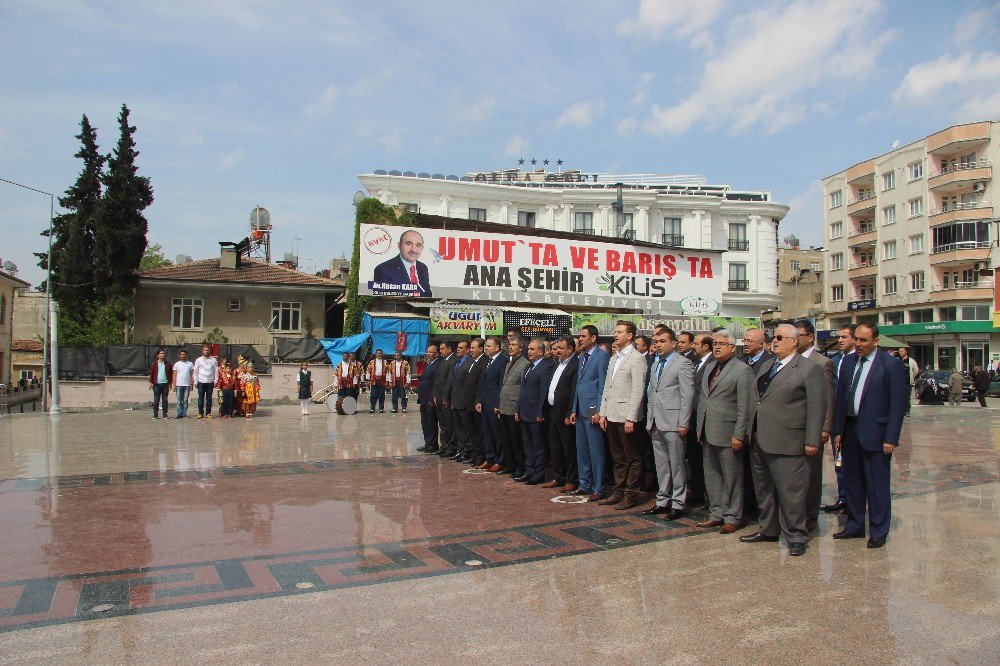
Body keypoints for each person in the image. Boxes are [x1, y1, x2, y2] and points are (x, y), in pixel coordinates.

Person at [740, 324, 825, 557]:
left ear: (794, 342)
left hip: (789, 440)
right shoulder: (767, 366)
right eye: (773, 337)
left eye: (779, 337)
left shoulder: (809, 369)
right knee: (764, 489)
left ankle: (796, 536)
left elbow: (817, 407)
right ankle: (768, 529)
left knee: (791, 493)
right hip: (759, 437)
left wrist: (812, 440)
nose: (774, 341)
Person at [830, 323, 907, 548]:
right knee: (853, 482)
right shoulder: (849, 363)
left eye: (864, 340)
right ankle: (854, 525)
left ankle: (878, 531)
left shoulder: (890, 365)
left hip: (876, 433)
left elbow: (897, 405)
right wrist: (838, 430)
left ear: (875, 341)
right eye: (856, 340)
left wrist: (891, 438)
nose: (858, 344)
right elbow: (841, 398)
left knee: (877, 486)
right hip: (850, 430)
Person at [696, 330, 753, 534]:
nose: (717, 347)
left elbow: (744, 406)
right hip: (708, 431)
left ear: (732, 347)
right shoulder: (710, 367)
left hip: (728, 432)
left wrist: (739, 434)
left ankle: (733, 516)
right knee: (712, 476)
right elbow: (704, 399)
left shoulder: (742, 370)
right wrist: (699, 428)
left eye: (722, 344)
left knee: (732, 477)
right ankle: (716, 513)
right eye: (715, 344)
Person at [640, 327, 695, 520]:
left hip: (674, 422)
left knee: (677, 464)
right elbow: (653, 394)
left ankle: (678, 503)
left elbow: (687, 395)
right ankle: (662, 500)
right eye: (655, 341)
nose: (658, 344)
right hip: (656, 422)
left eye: (662, 341)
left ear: (673, 343)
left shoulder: (683, 364)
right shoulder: (655, 365)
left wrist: (683, 422)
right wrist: (649, 420)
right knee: (661, 464)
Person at [598, 321, 649, 509]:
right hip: (611, 414)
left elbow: (638, 390)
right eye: (615, 331)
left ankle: (631, 494)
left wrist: (631, 417)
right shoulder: (614, 358)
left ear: (630, 335)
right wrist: (603, 413)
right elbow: (607, 387)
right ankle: (618, 492)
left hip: (626, 416)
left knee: (633, 458)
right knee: (618, 457)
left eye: (620, 332)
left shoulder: (637, 358)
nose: (615, 335)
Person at [794, 319, 836, 532]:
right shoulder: (789, 360)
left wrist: (824, 428)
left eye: (798, 335)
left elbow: (827, 399)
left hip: (813, 428)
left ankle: (810, 514)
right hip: (792, 428)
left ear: (810, 337)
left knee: (811, 474)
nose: (794, 339)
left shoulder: (822, 363)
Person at [571, 325, 610, 501]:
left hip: (592, 408)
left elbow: (602, 385)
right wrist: (574, 408)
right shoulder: (582, 357)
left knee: (595, 450)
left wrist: (599, 410)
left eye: (583, 336)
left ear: (593, 338)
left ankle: (598, 487)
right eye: (580, 336)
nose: (580, 339)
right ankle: (584, 483)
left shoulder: (602, 356)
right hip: (580, 407)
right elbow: (579, 385)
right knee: (582, 449)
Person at [822, 324, 857, 514]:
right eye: (839, 337)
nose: (840, 340)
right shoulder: (834, 360)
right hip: (835, 418)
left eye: (844, 337)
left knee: (852, 461)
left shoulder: (857, 360)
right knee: (839, 460)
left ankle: (853, 498)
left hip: (850, 419)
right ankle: (843, 496)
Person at [542, 335, 579, 492]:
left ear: (570, 349)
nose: (557, 351)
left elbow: (573, 392)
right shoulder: (557, 364)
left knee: (568, 447)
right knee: (555, 446)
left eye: (561, 348)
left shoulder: (575, 365)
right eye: (556, 348)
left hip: (565, 413)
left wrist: (570, 411)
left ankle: (571, 479)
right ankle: (559, 476)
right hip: (553, 410)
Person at [516, 338, 556, 485]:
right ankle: (529, 470)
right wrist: (518, 409)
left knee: (538, 445)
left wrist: (540, 412)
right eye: (528, 349)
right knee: (527, 444)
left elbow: (543, 391)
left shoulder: (545, 367)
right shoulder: (528, 367)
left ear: (541, 351)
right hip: (525, 411)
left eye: (532, 349)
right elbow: (523, 390)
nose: (529, 352)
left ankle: (539, 474)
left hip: (535, 413)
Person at [497, 337, 530, 476]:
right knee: (506, 440)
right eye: (510, 344)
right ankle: (510, 465)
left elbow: (523, 388)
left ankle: (520, 467)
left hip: (514, 407)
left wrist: (518, 409)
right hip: (504, 406)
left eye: (514, 345)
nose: (510, 347)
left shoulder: (524, 364)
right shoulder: (508, 364)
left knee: (516, 441)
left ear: (521, 348)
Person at [475, 337, 508, 470]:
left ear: (497, 347)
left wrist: (499, 404)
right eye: (486, 346)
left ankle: (500, 461)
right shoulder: (489, 361)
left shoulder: (503, 361)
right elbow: (484, 384)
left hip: (495, 404)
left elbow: (501, 384)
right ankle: (490, 458)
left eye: (489, 346)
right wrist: (480, 400)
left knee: (497, 434)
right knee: (487, 433)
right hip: (485, 403)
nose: (486, 348)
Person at [372, 229, 432, 297]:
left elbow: (427, 295)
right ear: (399, 245)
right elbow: (381, 301)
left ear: (422, 248)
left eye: (418, 245)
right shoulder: (383, 269)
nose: (413, 250)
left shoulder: (423, 268)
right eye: (408, 244)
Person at [457, 338, 487, 465]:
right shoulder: (473, 362)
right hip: (468, 403)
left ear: (481, 349)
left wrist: (478, 400)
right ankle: (474, 455)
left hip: (476, 403)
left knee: (478, 431)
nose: (471, 350)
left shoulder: (484, 362)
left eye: (474, 348)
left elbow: (481, 384)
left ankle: (480, 456)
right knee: (471, 431)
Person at [444, 340, 471, 460]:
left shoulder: (470, 362)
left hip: (464, 402)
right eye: (458, 348)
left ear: (468, 350)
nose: (458, 350)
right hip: (455, 400)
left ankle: (466, 451)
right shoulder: (457, 362)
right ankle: (460, 450)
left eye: (461, 348)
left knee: (465, 429)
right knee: (458, 429)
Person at [432, 341, 460, 458]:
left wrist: (445, 397)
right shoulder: (444, 361)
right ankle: (444, 446)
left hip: (445, 398)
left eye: (443, 349)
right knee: (442, 424)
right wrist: (435, 395)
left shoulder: (453, 360)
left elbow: (449, 381)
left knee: (449, 424)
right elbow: (438, 380)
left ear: (449, 349)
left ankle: (451, 447)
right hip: (438, 397)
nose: (441, 351)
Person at [416, 345, 442, 453]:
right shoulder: (428, 364)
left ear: (436, 353)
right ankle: (427, 443)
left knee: (432, 423)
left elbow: (436, 382)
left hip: (430, 398)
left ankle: (433, 444)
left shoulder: (438, 365)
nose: (428, 354)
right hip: (423, 398)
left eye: (431, 352)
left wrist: (433, 397)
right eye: (427, 352)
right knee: (425, 422)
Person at [193, 345, 219, 420]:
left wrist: (216, 380)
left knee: (209, 398)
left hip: (210, 381)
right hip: (201, 381)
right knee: (201, 398)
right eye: (205, 350)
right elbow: (195, 371)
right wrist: (195, 381)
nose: (206, 352)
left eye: (208, 350)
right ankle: (200, 413)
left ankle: (208, 413)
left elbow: (216, 370)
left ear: (210, 351)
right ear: (202, 351)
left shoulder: (213, 360)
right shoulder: (198, 360)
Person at [148, 348, 172, 420]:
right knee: (156, 400)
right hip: (156, 384)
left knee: (165, 400)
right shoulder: (154, 364)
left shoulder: (168, 364)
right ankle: (155, 414)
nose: (163, 355)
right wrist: (150, 382)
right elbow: (151, 373)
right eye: (161, 353)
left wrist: (170, 384)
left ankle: (165, 414)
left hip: (165, 384)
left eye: (164, 353)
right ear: (158, 355)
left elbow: (170, 374)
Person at [172, 349, 194, 418]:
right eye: (182, 354)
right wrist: (174, 385)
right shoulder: (176, 364)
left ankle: (184, 413)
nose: (183, 356)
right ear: (179, 355)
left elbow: (191, 375)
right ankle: (179, 413)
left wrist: (191, 384)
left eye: (184, 354)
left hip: (187, 385)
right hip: (179, 385)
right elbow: (174, 375)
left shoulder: (190, 364)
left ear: (186, 355)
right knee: (179, 400)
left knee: (185, 400)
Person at [898, 347, 919, 415]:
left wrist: (912, 377)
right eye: (899, 351)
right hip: (898, 382)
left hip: (907, 382)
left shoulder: (911, 361)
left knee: (907, 397)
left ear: (906, 352)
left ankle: (907, 410)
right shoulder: (897, 360)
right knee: (899, 397)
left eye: (902, 351)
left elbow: (916, 370)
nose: (900, 352)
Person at [367, 349, 388, 413]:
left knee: (382, 395)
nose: (379, 354)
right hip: (374, 380)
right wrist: (368, 380)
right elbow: (368, 371)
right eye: (378, 353)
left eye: (380, 353)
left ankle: (381, 409)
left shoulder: (385, 362)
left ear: (382, 354)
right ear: (375, 354)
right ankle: (372, 408)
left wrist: (387, 380)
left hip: (382, 380)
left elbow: (388, 372)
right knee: (373, 395)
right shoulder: (372, 362)